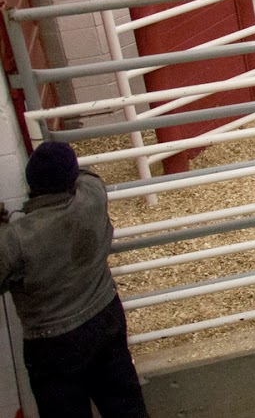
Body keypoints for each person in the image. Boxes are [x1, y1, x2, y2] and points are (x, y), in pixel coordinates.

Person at [0, 142, 149, 417]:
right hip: (105, 314)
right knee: (126, 407)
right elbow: (86, 174)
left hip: (52, 341)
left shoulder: (15, 239)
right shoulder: (92, 196)